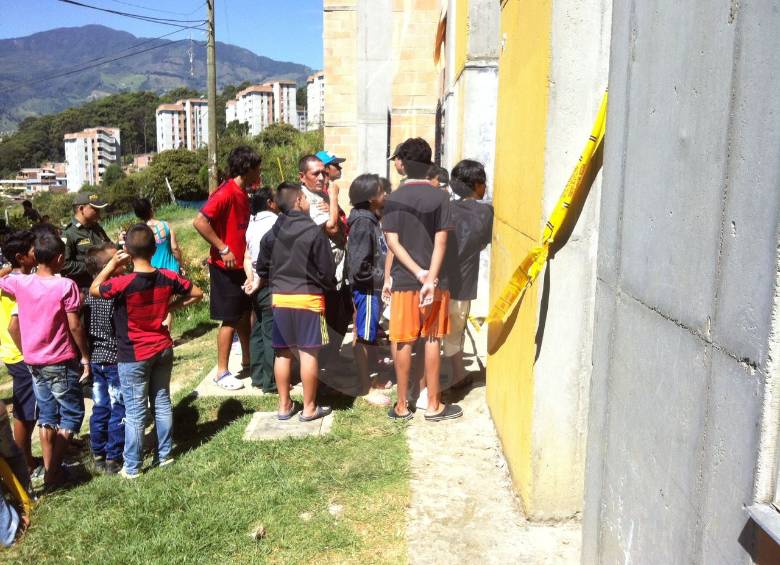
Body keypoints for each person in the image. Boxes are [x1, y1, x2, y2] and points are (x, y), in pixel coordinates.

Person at [91, 224, 203, 478]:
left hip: (134, 355)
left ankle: (132, 466)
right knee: (162, 402)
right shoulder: (168, 276)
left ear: (127, 251)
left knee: (135, 412)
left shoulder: (122, 283)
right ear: (154, 249)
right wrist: (170, 308)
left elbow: (94, 289)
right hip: (162, 348)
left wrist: (109, 266)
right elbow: (197, 293)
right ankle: (165, 456)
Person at [0, 232, 90, 488]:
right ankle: (52, 472)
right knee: (72, 415)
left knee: (48, 416)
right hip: (59, 360)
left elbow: (5, 283)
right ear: (60, 258)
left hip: (34, 363)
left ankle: (52, 470)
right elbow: (74, 325)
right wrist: (85, 356)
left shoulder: (21, 284)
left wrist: (9, 268)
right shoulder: (65, 286)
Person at [382, 137, 462, 422]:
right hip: (435, 282)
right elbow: (441, 242)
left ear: (403, 164)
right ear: (428, 163)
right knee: (431, 339)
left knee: (403, 341)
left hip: (404, 280)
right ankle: (434, 404)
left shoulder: (393, 198)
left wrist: (416, 272)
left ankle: (402, 405)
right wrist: (430, 276)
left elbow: (392, 241)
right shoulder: (441, 196)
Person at [256, 183, 336, 422]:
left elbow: (261, 268)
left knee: (282, 353)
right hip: (309, 299)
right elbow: (327, 272)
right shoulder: (313, 231)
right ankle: (309, 408)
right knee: (309, 353)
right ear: (300, 200)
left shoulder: (271, 234)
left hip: (280, 298)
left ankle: (284, 405)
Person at [193, 146, 260, 390]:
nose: (259, 171)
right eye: (257, 168)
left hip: (241, 266)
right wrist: (223, 248)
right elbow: (199, 221)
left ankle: (247, 359)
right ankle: (221, 372)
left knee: (243, 315)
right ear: (247, 169)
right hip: (224, 267)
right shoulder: (225, 193)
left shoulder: (244, 192)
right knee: (230, 319)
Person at [443, 160, 494, 388]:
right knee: (455, 331)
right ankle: (457, 375)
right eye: (484, 182)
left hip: (438, 282)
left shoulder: (446, 209)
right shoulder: (485, 213)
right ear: (476, 184)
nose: (486, 187)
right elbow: (483, 242)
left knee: (437, 333)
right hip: (462, 284)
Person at [298, 155, 351, 371]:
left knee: (341, 315)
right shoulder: (307, 200)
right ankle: (322, 367)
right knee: (325, 321)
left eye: (324, 173)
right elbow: (333, 227)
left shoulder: (323, 196)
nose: (322, 177)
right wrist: (334, 196)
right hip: (322, 272)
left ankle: (332, 358)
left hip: (338, 268)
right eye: (315, 174)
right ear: (302, 177)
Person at [345, 174, 391, 406]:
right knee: (363, 337)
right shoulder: (363, 223)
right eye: (382, 192)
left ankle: (371, 378)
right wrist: (384, 278)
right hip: (367, 290)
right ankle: (364, 386)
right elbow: (359, 268)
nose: (386, 195)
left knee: (369, 335)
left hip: (373, 289)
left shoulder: (370, 219)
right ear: (372, 198)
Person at [84, 244, 126, 475]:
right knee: (119, 406)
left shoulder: (88, 297)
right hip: (114, 360)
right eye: (115, 259)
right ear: (107, 268)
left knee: (100, 407)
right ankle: (114, 456)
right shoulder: (111, 294)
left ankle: (98, 452)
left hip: (96, 358)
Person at [0, 231, 38, 478]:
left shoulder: (11, 279)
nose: (37, 253)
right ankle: (27, 465)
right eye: (33, 251)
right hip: (20, 353)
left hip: (19, 351)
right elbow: (15, 326)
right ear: (20, 257)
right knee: (25, 411)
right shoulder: (14, 285)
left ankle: (29, 458)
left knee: (32, 408)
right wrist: (29, 355)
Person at [242, 186, 280, 392]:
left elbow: (247, 256)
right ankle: (271, 380)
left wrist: (251, 278)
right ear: (269, 203)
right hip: (270, 282)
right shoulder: (275, 223)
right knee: (270, 332)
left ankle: (257, 376)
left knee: (257, 330)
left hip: (255, 283)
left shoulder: (252, 224)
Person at [62, 192, 112, 289]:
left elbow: (109, 247)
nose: (99, 212)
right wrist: (92, 266)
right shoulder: (69, 233)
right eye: (95, 209)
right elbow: (64, 265)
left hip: (104, 285)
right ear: (81, 209)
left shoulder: (97, 228)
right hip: (84, 289)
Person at [132, 198, 182, 273]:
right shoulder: (166, 225)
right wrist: (180, 265)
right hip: (173, 270)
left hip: (155, 274)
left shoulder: (140, 233)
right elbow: (175, 248)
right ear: (151, 209)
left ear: (138, 215)